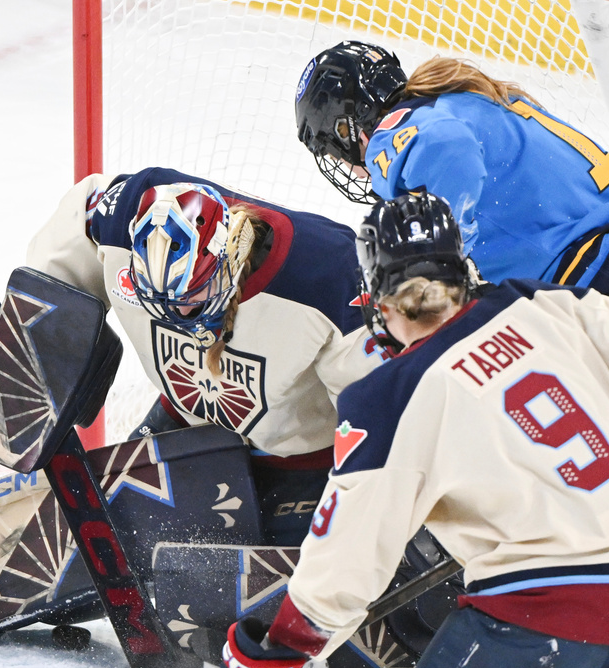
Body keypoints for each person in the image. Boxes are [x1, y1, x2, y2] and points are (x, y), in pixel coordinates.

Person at [217, 192, 609, 668]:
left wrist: (284, 649)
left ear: (379, 300)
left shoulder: (389, 396)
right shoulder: (539, 303)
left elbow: (351, 547)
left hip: (533, 613)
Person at [27, 166, 386, 545]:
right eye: (161, 302)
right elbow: (80, 217)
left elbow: (372, 407)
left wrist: (368, 494)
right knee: (95, 538)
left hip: (302, 458)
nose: (177, 316)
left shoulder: (329, 271)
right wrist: (37, 337)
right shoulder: (121, 215)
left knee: (265, 585)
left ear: (227, 257)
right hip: (185, 423)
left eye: (192, 296)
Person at [295, 41, 609, 325]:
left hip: (601, 278)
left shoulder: (394, 130)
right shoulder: (460, 98)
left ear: (348, 128)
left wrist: (447, 262)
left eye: (335, 152)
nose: (351, 168)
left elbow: (450, 150)